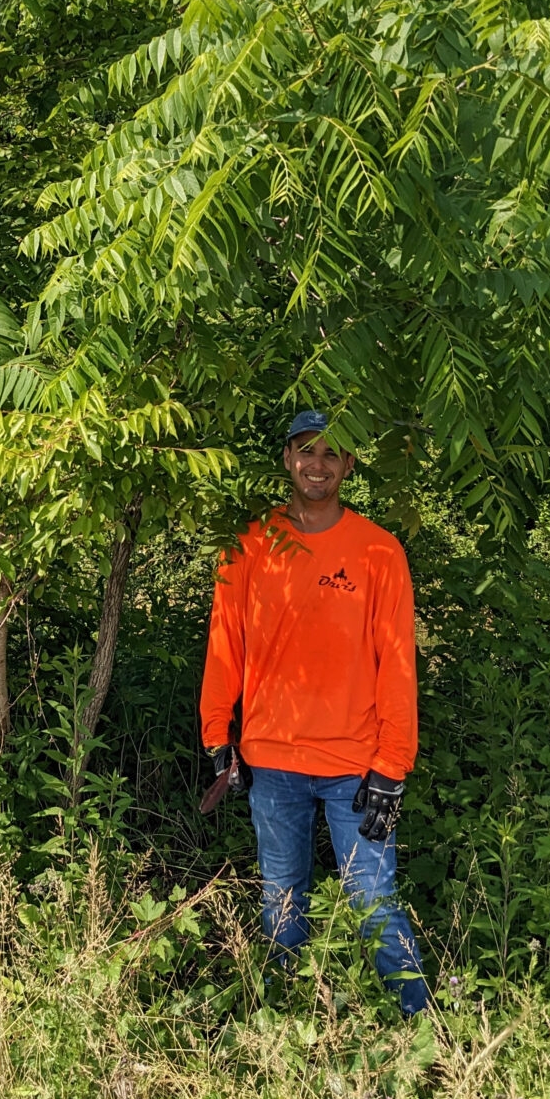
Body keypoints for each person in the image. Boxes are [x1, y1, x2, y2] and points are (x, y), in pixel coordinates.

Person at [200, 410, 430, 1015]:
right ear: (287, 460)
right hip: (271, 761)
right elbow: (225, 643)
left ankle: (424, 1031)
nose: (318, 465)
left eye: (331, 454)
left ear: (349, 465)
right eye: (306, 451)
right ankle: (286, 1028)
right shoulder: (250, 544)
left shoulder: (379, 552)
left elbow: (398, 664)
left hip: (356, 766)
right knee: (281, 900)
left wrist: (392, 766)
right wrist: (217, 733)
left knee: (374, 902)